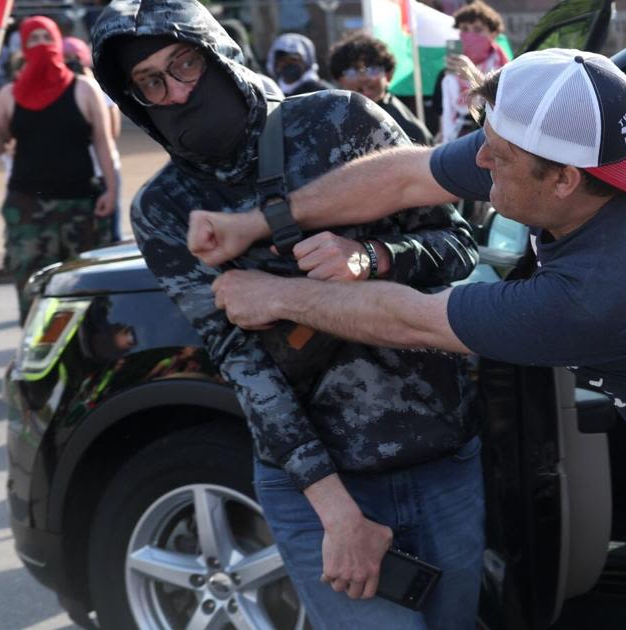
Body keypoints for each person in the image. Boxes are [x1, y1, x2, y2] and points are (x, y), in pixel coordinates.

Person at [198, 49, 626, 629]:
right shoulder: (602, 152)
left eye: (499, 156)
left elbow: (413, 319)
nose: (481, 158)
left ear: (562, 180)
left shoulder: (607, 289)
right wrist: (259, 224)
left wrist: (278, 294)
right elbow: (414, 172)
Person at [89, 1, 484, 628]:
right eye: (152, 83)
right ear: (135, 101)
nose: (178, 91)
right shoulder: (165, 208)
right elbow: (241, 361)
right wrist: (337, 513)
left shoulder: (340, 119)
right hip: (316, 484)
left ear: (217, 52)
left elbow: (458, 247)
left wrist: (373, 256)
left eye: (185, 62)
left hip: (441, 453)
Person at [0, 16, 118, 323]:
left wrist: (112, 189)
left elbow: (104, 143)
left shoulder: (84, 89)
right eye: (33, 40)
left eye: (45, 38)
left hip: (81, 204)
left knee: (90, 293)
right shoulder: (10, 95)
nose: (41, 46)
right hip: (28, 209)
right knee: (35, 294)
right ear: (23, 48)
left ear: (58, 43)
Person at [64, 35, 125, 240]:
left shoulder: (97, 87)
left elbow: (112, 133)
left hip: (102, 170)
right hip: (80, 174)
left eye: (74, 57)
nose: (71, 62)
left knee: (109, 233)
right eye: (67, 57)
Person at [329, 33, 432, 145]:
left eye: (373, 69)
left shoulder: (409, 128)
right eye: (354, 71)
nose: (364, 78)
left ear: (388, 76)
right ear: (340, 79)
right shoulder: (329, 118)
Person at [439, 0, 507, 142]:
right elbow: (444, 116)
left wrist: (473, 75)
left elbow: (503, 102)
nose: (470, 35)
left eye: (477, 30)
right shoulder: (448, 74)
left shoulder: (506, 70)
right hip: (458, 139)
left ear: (493, 34)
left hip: (495, 139)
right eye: (464, 29)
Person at [266, 32, 332, 96]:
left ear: (306, 62)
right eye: (283, 61)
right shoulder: (272, 94)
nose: (288, 64)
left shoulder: (322, 92)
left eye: (293, 60)